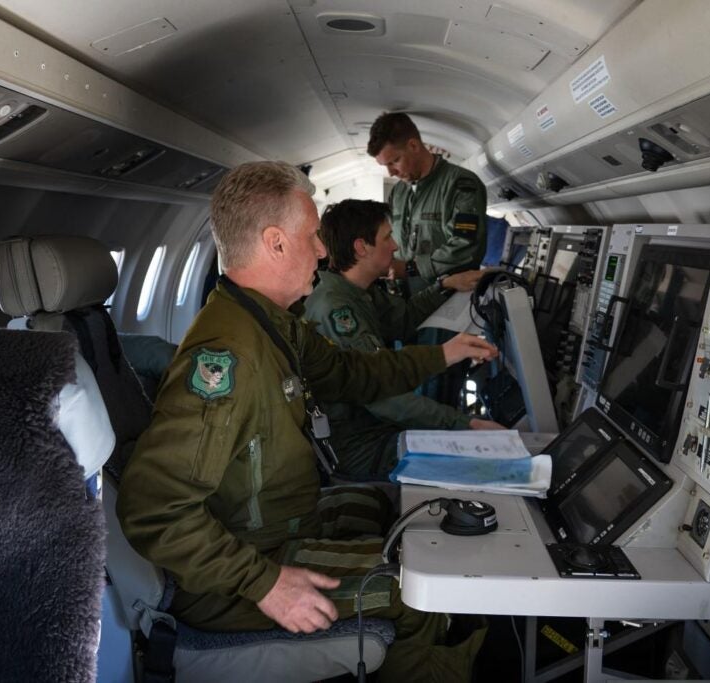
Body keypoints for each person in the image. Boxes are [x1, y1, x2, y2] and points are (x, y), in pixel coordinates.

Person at [117, 161, 497, 680]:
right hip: (239, 571)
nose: (322, 249)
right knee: (414, 591)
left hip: (276, 526)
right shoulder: (229, 358)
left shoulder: (268, 320)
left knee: (389, 514)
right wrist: (265, 584)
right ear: (275, 243)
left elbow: (348, 373)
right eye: (312, 235)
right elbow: (152, 508)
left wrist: (442, 356)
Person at [303, 199, 504, 480]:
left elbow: (403, 320)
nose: (395, 246)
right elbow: (382, 397)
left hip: (373, 427)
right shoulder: (336, 309)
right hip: (354, 445)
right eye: (387, 237)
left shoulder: (358, 289)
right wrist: (464, 423)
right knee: (473, 465)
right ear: (362, 247)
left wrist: (444, 286)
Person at [367, 111, 488, 293]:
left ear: (414, 146)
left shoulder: (460, 184)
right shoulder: (398, 192)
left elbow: (465, 246)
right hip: (405, 298)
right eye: (385, 166)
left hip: (447, 297)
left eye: (395, 161)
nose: (391, 173)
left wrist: (411, 269)